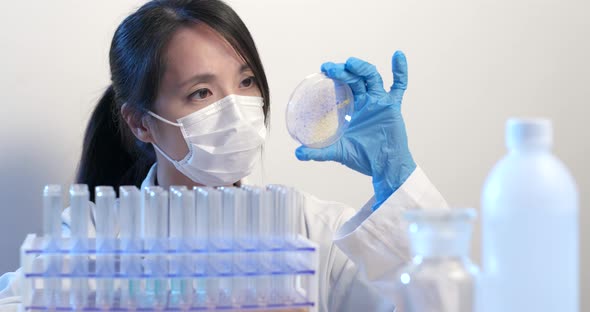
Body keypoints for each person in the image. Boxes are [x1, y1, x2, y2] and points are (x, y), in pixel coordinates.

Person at [0, 1, 447, 311]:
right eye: (201, 92)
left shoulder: (309, 230)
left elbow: (445, 300)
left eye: (247, 81)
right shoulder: (95, 242)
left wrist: (394, 181)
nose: (236, 107)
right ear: (140, 123)